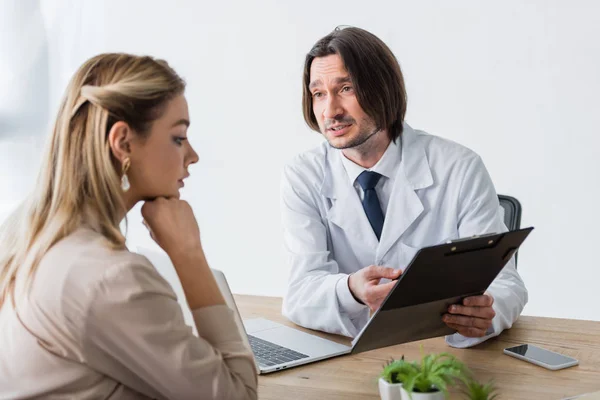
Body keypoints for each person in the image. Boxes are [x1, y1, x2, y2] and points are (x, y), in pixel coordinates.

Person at [0, 53, 257, 399]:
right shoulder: (108, 277)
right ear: (123, 143)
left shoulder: (25, 231)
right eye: (178, 137)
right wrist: (188, 253)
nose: (192, 155)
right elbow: (237, 395)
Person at [281, 26, 527, 348]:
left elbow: (505, 284)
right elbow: (299, 292)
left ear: (383, 90)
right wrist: (352, 290)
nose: (330, 111)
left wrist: (487, 311)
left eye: (346, 89)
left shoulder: (459, 167)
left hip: (439, 361)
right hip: (348, 357)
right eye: (319, 94)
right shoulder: (304, 175)